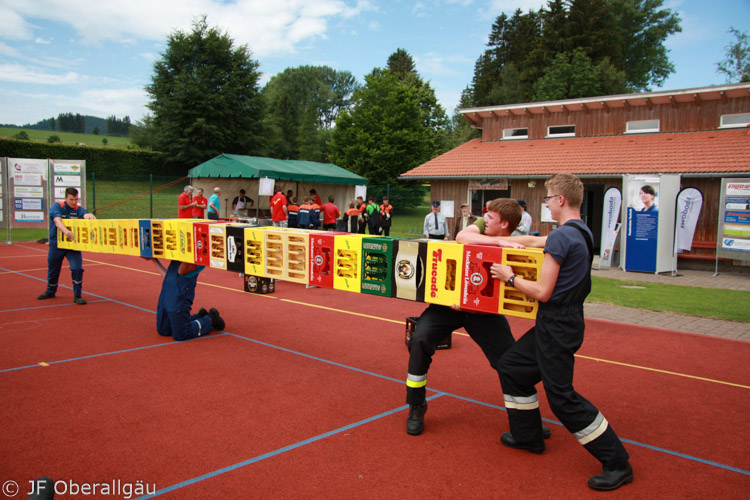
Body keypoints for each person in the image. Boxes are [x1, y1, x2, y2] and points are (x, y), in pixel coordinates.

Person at [490, 174, 633, 491]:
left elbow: (542, 291)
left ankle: (616, 462)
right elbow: (537, 248)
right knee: (512, 367)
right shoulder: (580, 232)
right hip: (563, 321)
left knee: (562, 399)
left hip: (556, 322)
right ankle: (528, 436)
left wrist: (509, 277)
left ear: (561, 201)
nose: (546, 204)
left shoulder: (560, 237)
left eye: (548, 198)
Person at [407, 199, 546, 436]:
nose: (483, 220)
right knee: (419, 340)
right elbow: (462, 237)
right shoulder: (485, 227)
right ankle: (416, 406)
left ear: (504, 223)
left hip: (484, 314)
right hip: (447, 307)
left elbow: (542, 244)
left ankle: (527, 423)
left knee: (510, 364)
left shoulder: (518, 244)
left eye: (490, 218)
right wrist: (498, 241)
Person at [37, 187, 97, 305]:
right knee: (53, 269)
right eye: (71, 199)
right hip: (57, 244)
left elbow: (84, 214)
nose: (74, 202)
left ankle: (77, 295)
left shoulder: (77, 208)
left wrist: (89, 215)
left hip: (72, 245)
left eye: (76, 199)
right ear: (65, 198)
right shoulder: (57, 206)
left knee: (77, 268)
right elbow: (57, 221)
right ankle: (50, 291)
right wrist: (66, 232)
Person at [147, 258, 225, 341]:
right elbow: (169, 276)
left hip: (181, 288)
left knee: (181, 333)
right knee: (164, 329)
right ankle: (198, 317)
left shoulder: (194, 259)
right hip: (170, 288)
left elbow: (182, 271)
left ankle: (210, 320)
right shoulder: (176, 261)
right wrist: (153, 258)